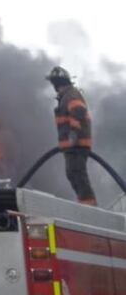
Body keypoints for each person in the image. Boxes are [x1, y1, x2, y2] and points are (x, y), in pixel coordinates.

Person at [46, 66, 96, 206]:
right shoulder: (66, 97)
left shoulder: (71, 95)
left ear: (58, 84)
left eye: (55, 84)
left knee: (78, 174)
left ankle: (89, 208)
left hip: (77, 144)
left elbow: (78, 114)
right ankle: (85, 204)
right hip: (71, 146)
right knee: (73, 174)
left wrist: (73, 135)